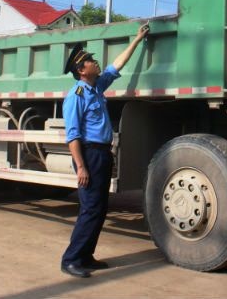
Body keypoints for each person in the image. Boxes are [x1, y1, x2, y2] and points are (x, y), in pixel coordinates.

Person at [60, 22, 150, 278]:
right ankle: (71, 260)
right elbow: (73, 135)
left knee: (99, 209)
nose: (96, 63)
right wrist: (80, 166)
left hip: (101, 153)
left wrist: (136, 39)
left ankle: (86, 256)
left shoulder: (97, 87)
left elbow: (117, 65)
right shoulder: (76, 95)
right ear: (81, 70)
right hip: (88, 154)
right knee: (89, 209)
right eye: (90, 61)